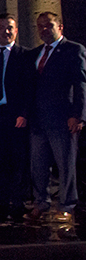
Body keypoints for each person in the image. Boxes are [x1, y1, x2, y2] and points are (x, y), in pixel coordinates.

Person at [26, 12, 86, 223]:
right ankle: (41, 202)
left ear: (60, 27)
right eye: (40, 26)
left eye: (49, 25)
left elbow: (80, 85)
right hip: (38, 120)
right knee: (38, 165)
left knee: (65, 164)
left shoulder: (73, 50)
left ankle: (67, 205)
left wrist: (78, 115)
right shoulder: (35, 53)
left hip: (62, 118)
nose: (44, 29)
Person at [0, 14, 29, 223]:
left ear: (16, 30)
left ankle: (18, 204)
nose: (6, 31)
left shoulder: (24, 55)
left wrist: (23, 113)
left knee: (17, 161)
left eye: (10, 28)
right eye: (2, 27)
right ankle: (2, 203)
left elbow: (30, 88)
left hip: (15, 115)